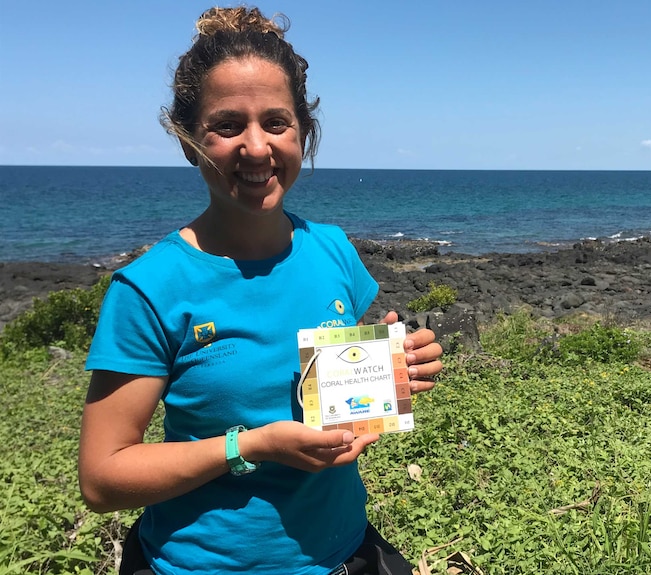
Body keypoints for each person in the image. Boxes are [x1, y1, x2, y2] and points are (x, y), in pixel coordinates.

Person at [77, 6, 443, 575]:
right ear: (189, 141)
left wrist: (398, 366)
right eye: (227, 125)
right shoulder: (148, 289)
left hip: (343, 550)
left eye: (276, 122)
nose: (255, 147)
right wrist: (249, 447)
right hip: (201, 564)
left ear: (304, 131)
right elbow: (103, 478)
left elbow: (342, 384)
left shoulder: (332, 250)